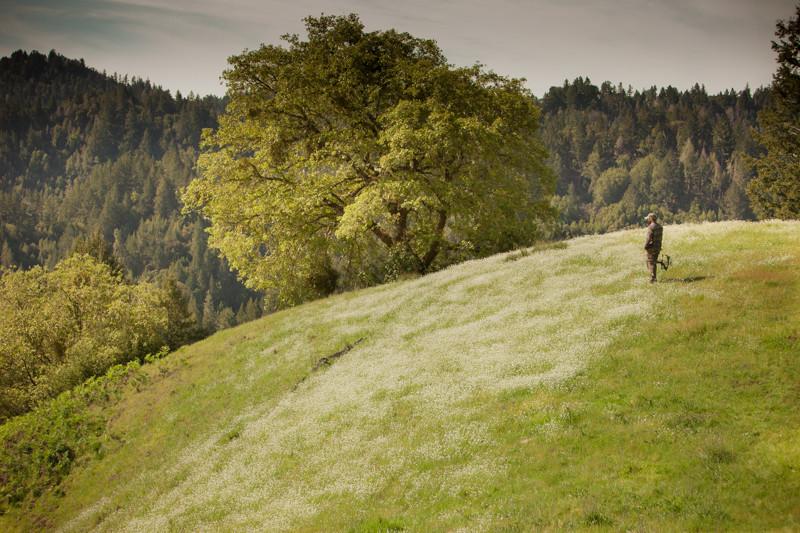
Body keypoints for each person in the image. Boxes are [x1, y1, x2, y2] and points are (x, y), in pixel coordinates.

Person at [644, 212, 663, 283]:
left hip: (652, 247)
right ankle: (654, 277)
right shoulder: (660, 226)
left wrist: (645, 246)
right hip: (658, 246)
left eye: (648, 218)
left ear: (651, 218)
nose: (647, 220)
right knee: (653, 261)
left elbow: (649, 238)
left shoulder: (651, 227)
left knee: (650, 262)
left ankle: (653, 278)